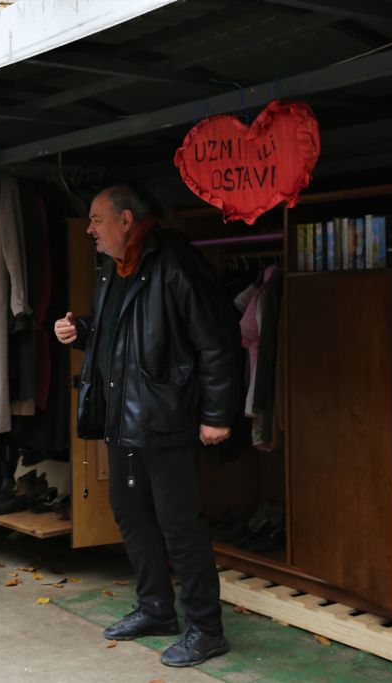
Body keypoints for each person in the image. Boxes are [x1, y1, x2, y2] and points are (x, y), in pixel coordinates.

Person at [54, 184, 240, 668]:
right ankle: (157, 609)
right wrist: (83, 331)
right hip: (126, 419)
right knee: (130, 514)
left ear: (127, 220)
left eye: (96, 219)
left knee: (181, 526)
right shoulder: (116, 269)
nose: (90, 229)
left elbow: (217, 343)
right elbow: (120, 335)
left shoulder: (176, 264)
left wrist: (217, 416)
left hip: (166, 418)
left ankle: (206, 627)